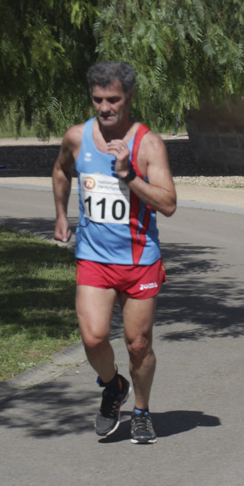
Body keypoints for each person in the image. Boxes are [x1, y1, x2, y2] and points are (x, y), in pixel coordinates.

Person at [52, 61, 178, 445]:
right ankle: (112, 387)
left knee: (138, 346)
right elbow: (60, 171)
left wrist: (128, 175)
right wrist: (60, 215)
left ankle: (140, 411)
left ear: (130, 98)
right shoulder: (77, 137)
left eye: (113, 100)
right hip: (94, 258)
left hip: (140, 261)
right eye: (98, 100)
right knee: (93, 338)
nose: (105, 108)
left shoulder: (148, 144)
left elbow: (169, 203)